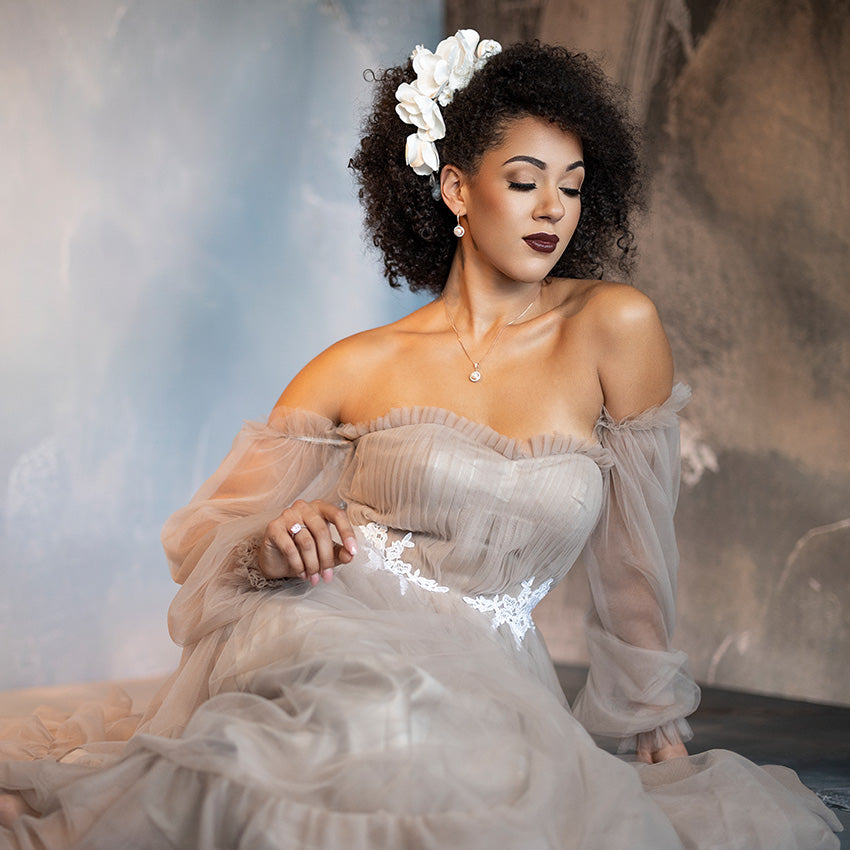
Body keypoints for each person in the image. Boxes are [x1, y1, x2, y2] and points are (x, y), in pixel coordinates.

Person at [0, 30, 841, 850]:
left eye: (574, 186)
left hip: (495, 687)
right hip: (328, 634)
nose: (554, 207)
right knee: (323, 743)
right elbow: (209, 540)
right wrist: (272, 542)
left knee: (442, 774)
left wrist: (656, 726)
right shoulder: (356, 366)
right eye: (524, 180)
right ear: (454, 191)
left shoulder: (614, 328)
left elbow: (634, 559)